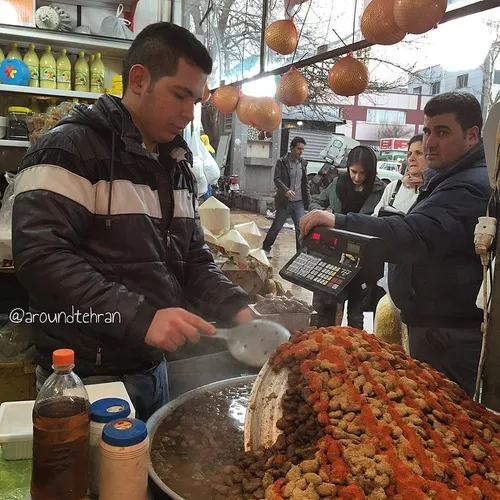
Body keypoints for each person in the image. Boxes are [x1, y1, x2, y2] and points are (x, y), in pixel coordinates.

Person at [11, 22, 253, 421]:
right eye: (179, 95)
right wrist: (142, 317)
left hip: (153, 369)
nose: (188, 114)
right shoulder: (70, 149)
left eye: (195, 101)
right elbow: (41, 258)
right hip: (83, 379)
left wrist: (238, 309)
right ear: (139, 79)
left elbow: (193, 259)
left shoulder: (176, 166)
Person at [300, 91, 492, 397]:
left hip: (450, 338)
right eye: (428, 131)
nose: (429, 143)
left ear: (472, 136)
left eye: (442, 132)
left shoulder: (469, 185)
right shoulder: (446, 179)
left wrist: (341, 222)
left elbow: (415, 235)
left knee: (448, 425)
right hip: (436, 331)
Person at [308, 145, 386, 329]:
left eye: (362, 173)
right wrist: (320, 215)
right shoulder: (337, 184)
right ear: (348, 167)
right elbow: (317, 201)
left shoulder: (381, 190)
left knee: (356, 314)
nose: (357, 177)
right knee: (326, 308)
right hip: (335, 254)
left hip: (363, 259)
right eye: (353, 171)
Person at [262, 137, 311, 257]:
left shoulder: (303, 163)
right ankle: (265, 248)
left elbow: (305, 183)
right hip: (285, 202)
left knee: (301, 229)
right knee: (276, 227)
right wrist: (286, 191)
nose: (301, 151)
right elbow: (277, 179)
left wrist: (308, 201)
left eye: (302, 149)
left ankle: (300, 254)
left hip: (299, 202)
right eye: (299, 148)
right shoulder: (282, 162)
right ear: (292, 148)